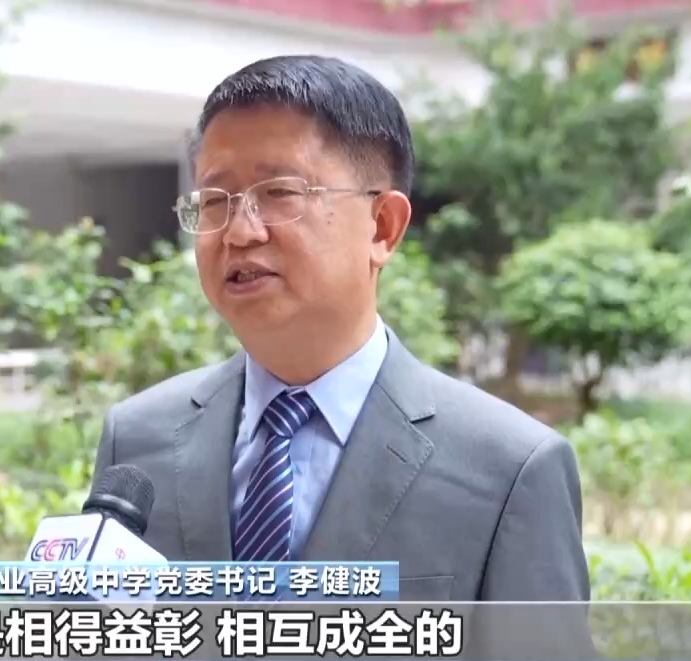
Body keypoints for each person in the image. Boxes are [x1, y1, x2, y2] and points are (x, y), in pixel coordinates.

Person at [90, 55, 590, 605]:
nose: (239, 232)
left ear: (383, 227)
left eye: (279, 193)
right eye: (214, 202)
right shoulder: (136, 440)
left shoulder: (510, 469)